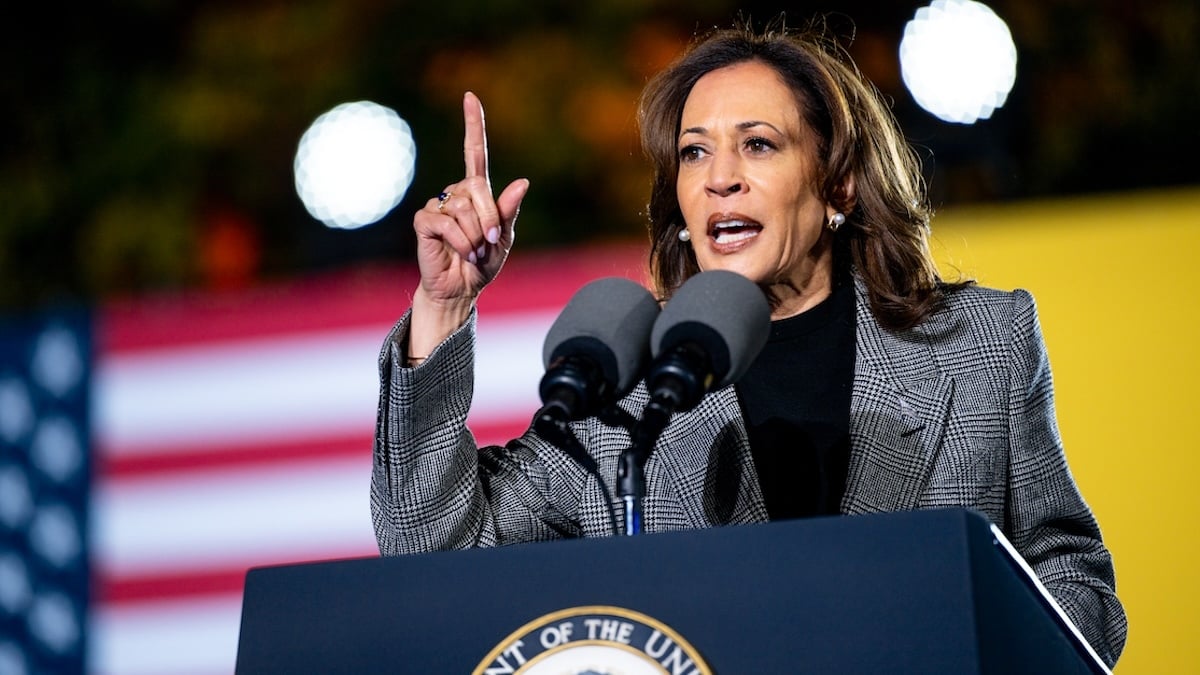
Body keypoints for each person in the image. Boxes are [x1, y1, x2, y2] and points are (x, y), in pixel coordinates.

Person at [370, 22, 1126, 666]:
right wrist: (444, 304)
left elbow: (1074, 581)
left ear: (838, 187)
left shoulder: (981, 345)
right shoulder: (624, 390)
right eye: (694, 153)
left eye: (758, 145)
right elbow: (433, 548)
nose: (719, 179)